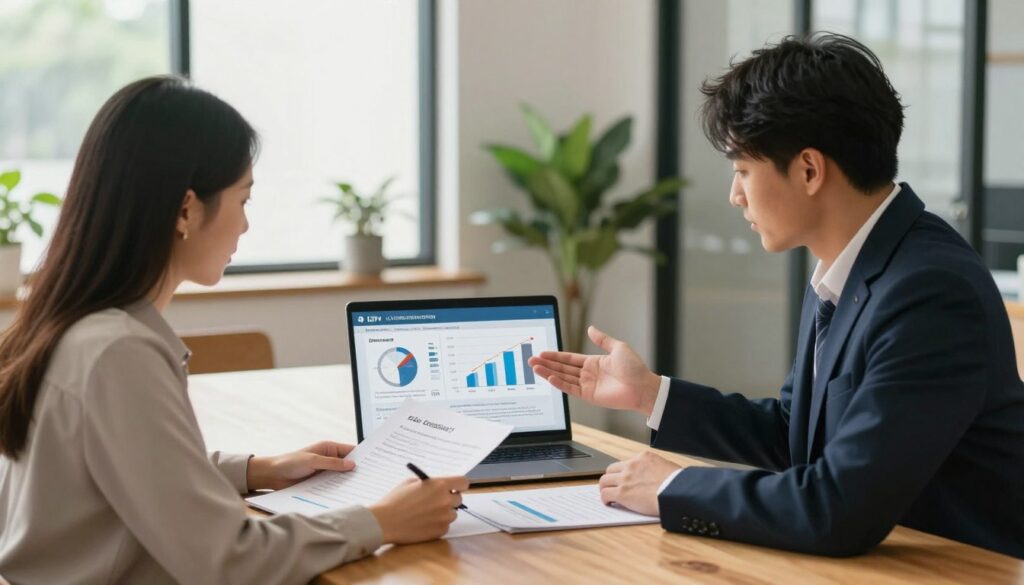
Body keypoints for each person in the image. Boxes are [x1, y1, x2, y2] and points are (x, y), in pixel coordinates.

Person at [530, 33, 1024, 558]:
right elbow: (795, 436)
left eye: (743, 170)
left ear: (809, 170)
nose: (734, 193)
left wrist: (672, 487)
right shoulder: (849, 263)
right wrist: (652, 395)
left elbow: (838, 508)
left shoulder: (930, 291)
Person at [0, 76, 468, 584]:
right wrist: (381, 521)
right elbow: (227, 559)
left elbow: (117, 474)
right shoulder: (118, 352)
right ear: (185, 209)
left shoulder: (73, 325)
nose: (245, 226)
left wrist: (255, 470)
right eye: (243, 200)